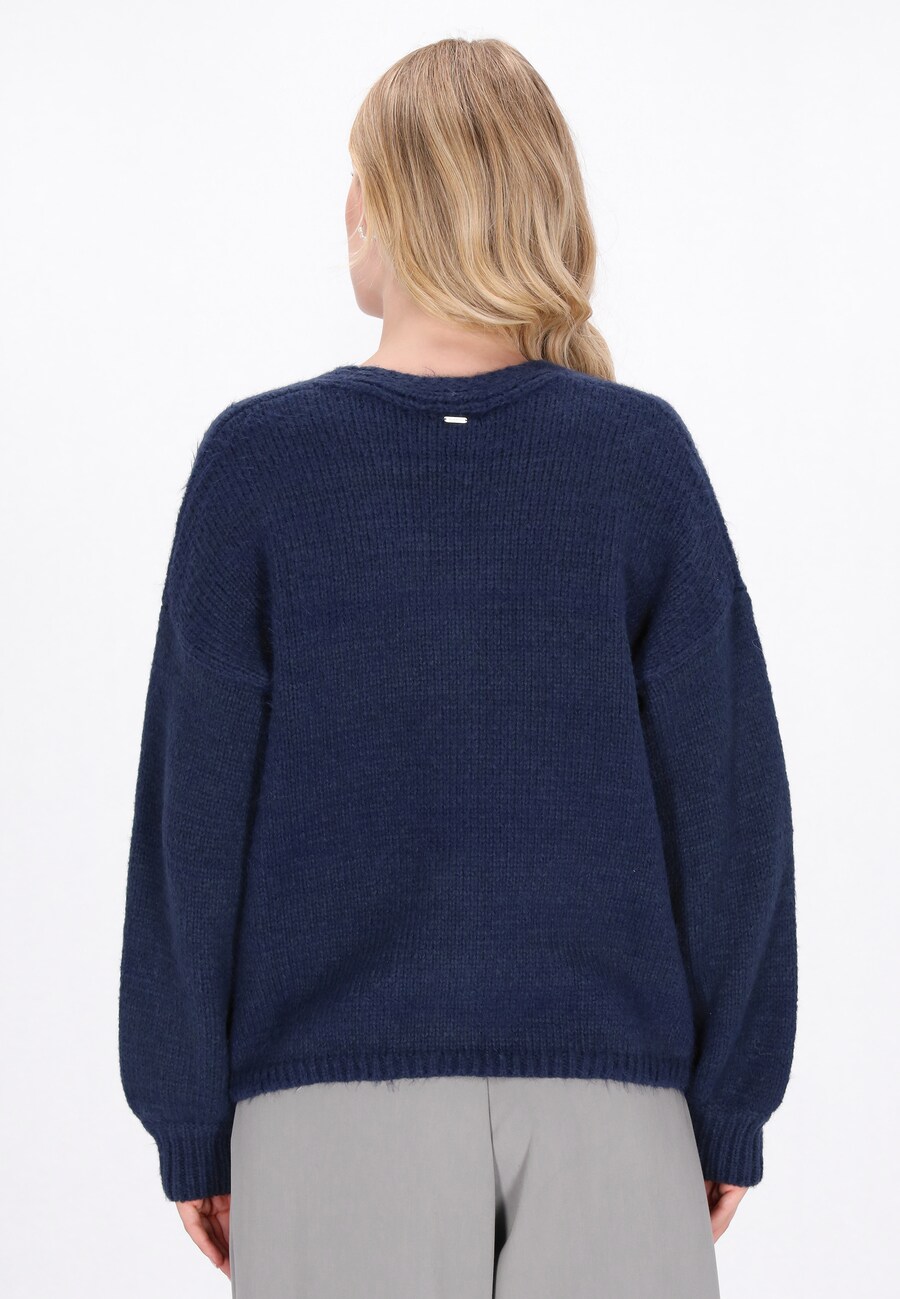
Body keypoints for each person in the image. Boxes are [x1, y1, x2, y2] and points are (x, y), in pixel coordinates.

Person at [117, 36, 797, 1299]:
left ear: (384, 207)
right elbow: (732, 818)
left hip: (323, 1115)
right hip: (615, 1108)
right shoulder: (639, 460)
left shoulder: (259, 466)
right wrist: (729, 1104)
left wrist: (190, 1119)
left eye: (355, 180)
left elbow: (188, 833)